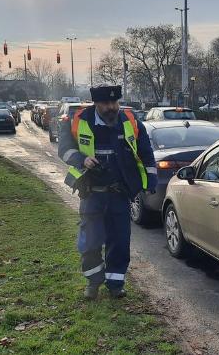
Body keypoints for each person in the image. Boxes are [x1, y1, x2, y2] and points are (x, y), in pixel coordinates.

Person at [57, 85, 157, 299]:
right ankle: (93, 283)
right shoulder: (78, 121)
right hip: (92, 194)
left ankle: (115, 284)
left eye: (114, 103)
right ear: (96, 104)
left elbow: (146, 153)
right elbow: (64, 149)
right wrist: (81, 159)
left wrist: (151, 181)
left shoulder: (129, 121)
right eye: (105, 104)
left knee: (119, 241)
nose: (111, 107)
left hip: (119, 195)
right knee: (90, 242)